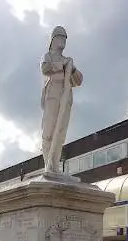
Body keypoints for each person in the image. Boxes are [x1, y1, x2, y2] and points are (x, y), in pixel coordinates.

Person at [41, 26, 83, 173]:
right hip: (53, 92)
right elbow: (45, 69)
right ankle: (48, 164)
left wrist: (71, 69)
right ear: (54, 39)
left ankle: (55, 164)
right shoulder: (48, 56)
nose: (64, 40)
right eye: (61, 37)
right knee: (49, 130)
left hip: (66, 94)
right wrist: (61, 65)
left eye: (65, 38)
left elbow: (79, 80)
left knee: (60, 132)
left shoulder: (68, 60)